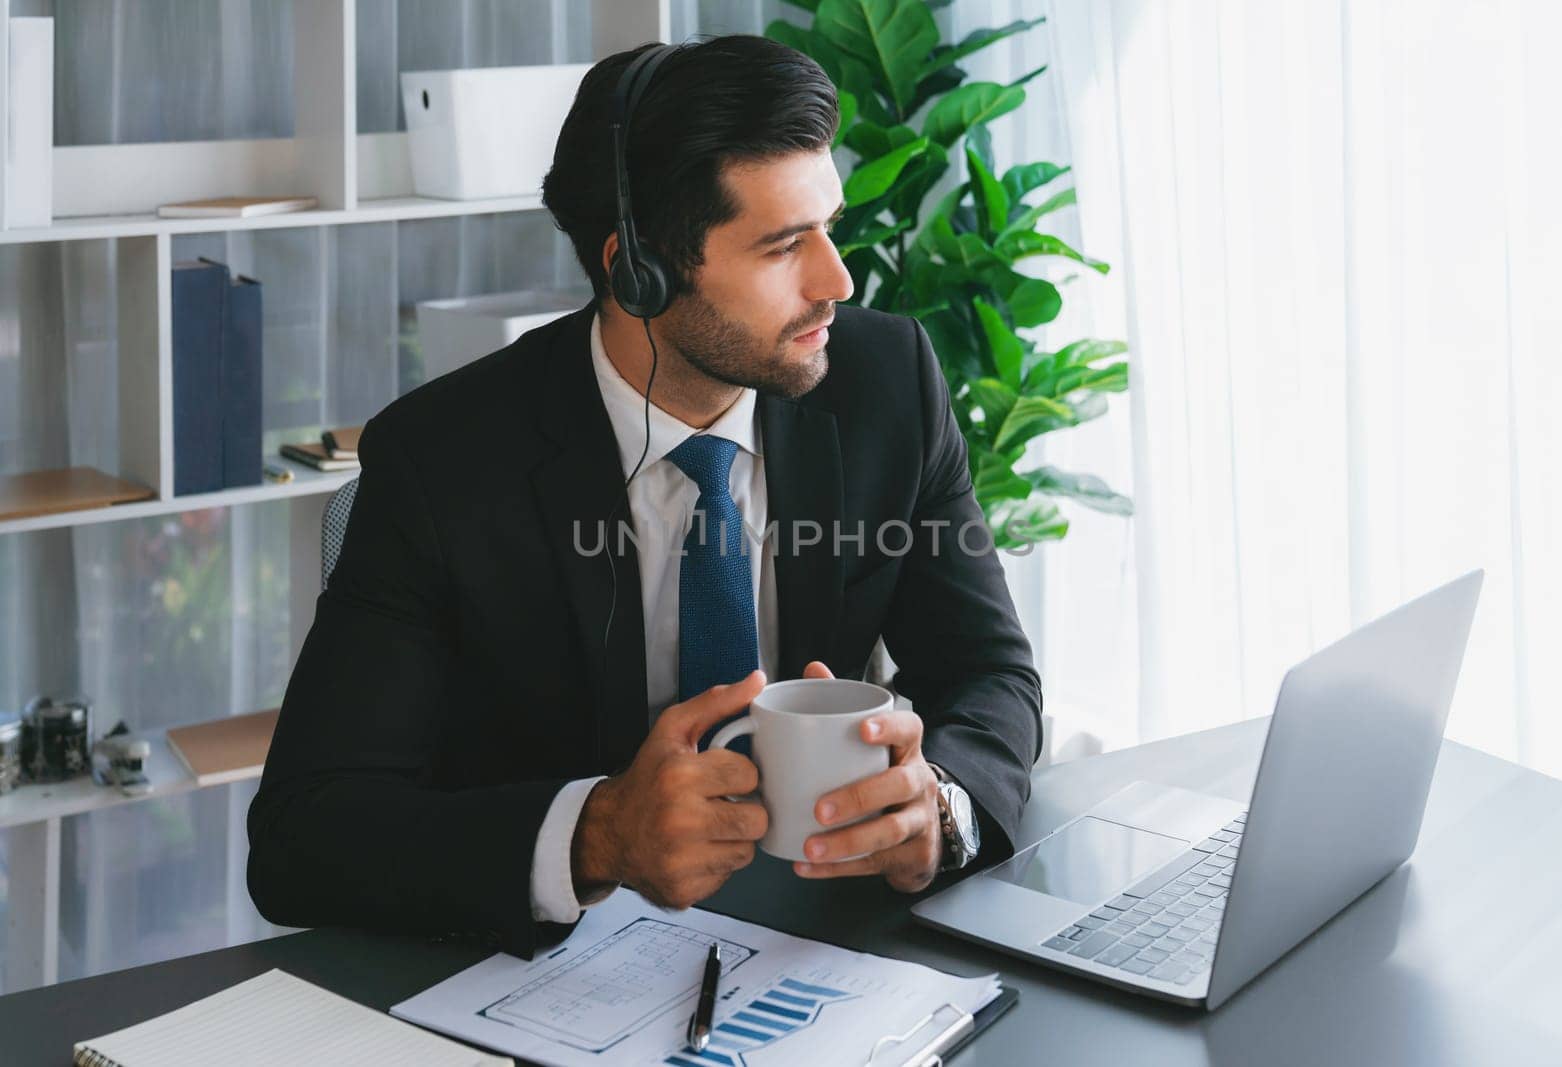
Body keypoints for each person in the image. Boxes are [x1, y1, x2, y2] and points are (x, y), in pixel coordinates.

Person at [247, 34, 1041, 959]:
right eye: (784, 245)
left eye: (830, 225)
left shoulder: (885, 382)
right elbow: (305, 835)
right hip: (536, 976)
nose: (839, 280)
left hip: (818, 957)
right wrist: (596, 834)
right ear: (639, 271)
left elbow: (990, 672)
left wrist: (936, 807)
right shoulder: (440, 462)